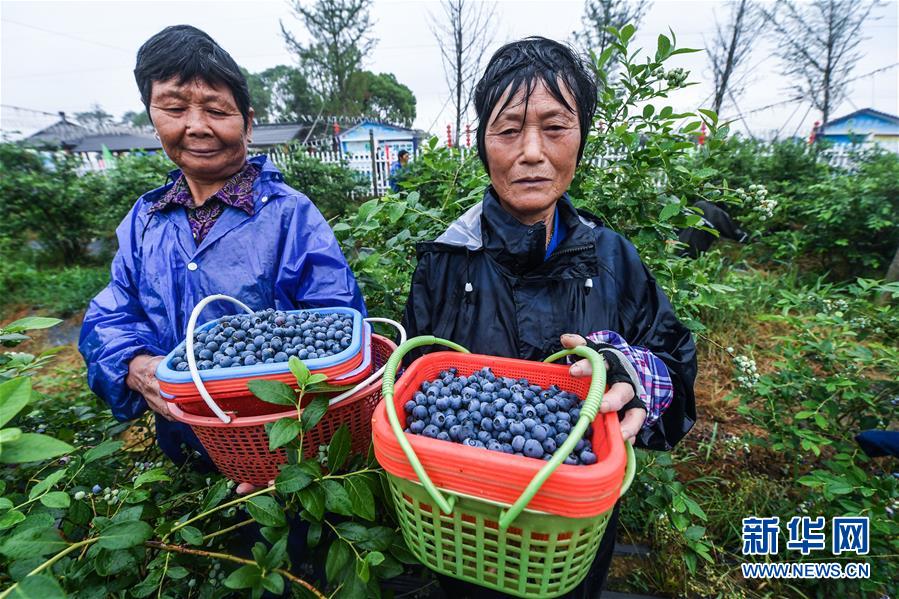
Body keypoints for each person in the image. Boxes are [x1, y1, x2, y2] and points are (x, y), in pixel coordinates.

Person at [402, 37, 697, 598]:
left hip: (573, 539)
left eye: (555, 127)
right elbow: (415, 396)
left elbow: (675, 369)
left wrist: (636, 379)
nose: (531, 151)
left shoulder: (612, 260)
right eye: (509, 129)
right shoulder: (444, 263)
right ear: (483, 143)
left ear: (582, 139)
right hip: (462, 529)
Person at [79, 25, 365, 465]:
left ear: (247, 122)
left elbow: (336, 323)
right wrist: (134, 365)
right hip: (184, 443)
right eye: (174, 108)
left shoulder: (289, 215)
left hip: (282, 444)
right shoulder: (146, 220)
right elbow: (111, 313)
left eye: (215, 110)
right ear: (153, 120)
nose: (196, 127)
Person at [678, 199, 749, 258]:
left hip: (680, 240)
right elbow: (732, 230)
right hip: (696, 246)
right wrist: (744, 237)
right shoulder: (719, 213)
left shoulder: (699, 204)